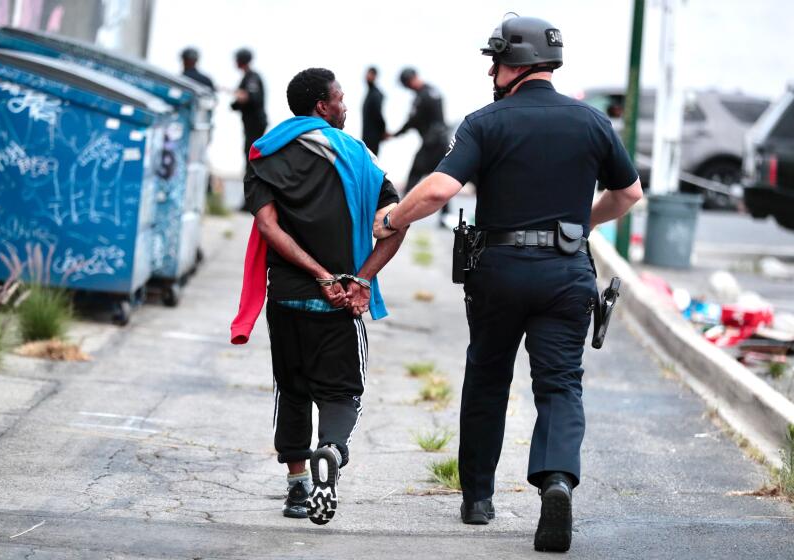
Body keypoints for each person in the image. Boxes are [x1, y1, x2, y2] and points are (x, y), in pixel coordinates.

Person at [374, 14, 642, 553]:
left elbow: (437, 191)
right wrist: (578, 224)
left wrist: (391, 219)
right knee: (560, 383)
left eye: (493, 61)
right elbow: (629, 194)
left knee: (488, 377)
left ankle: (477, 499)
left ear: (510, 65)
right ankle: (558, 480)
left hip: (499, 271)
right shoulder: (592, 122)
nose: (490, 71)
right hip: (567, 273)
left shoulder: (484, 123)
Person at [229, 68, 406, 526]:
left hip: (286, 298)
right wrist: (359, 279)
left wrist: (315, 274)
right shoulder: (358, 156)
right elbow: (396, 221)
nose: (345, 106)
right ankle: (330, 450)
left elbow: (268, 227)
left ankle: (295, 487)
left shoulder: (265, 154)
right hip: (341, 300)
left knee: (291, 388)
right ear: (322, 107)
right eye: (340, 99)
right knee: (342, 390)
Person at [389, 67, 450, 225]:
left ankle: (400, 212)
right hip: (441, 141)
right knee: (442, 178)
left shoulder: (422, 96)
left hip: (432, 143)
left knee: (414, 174)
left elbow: (412, 121)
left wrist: (395, 134)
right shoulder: (433, 91)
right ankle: (445, 216)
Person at [230, 48, 268, 174]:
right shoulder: (246, 77)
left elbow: (253, 97)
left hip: (255, 123)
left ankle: (253, 186)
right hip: (249, 123)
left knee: (252, 154)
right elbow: (237, 103)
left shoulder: (252, 77)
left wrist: (241, 96)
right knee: (249, 153)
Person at [361, 66, 387, 155]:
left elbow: (378, 114)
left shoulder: (376, 94)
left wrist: (383, 131)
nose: (367, 76)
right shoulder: (370, 93)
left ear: (375, 76)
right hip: (367, 136)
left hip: (373, 137)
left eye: (370, 74)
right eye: (367, 73)